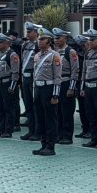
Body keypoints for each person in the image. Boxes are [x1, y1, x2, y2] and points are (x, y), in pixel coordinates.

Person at [31, 28, 62, 156]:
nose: (39, 41)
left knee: (50, 119)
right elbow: (35, 75)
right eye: (39, 39)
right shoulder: (37, 55)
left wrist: (55, 94)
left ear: (49, 41)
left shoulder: (54, 55)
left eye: (42, 39)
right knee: (41, 118)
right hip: (38, 89)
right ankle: (43, 144)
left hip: (49, 89)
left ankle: (51, 146)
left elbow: (57, 76)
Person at [53, 28, 80, 144]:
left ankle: (68, 136)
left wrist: (71, 87)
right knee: (58, 111)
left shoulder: (71, 52)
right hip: (57, 84)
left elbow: (75, 70)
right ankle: (59, 134)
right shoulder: (55, 52)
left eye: (58, 38)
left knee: (67, 112)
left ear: (65, 38)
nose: (56, 40)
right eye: (55, 38)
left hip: (66, 82)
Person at [0, 33, 20, 138]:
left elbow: (15, 72)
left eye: (1, 42)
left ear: (8, 43)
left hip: (6, 84)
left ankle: (8, 130)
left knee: (9, 108)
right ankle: (1, 129)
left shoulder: (12, 54)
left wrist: (12, 86)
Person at [20, 22, 41, 140]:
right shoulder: (25, 45)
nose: (27, 34)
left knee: (35, 106)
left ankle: (38, 132)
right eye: (27, 32)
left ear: (36, 33)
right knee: (28, 105)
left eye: (29, 32)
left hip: (34, 76)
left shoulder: (39, 45)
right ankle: (31, 130)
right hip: (25, 76)